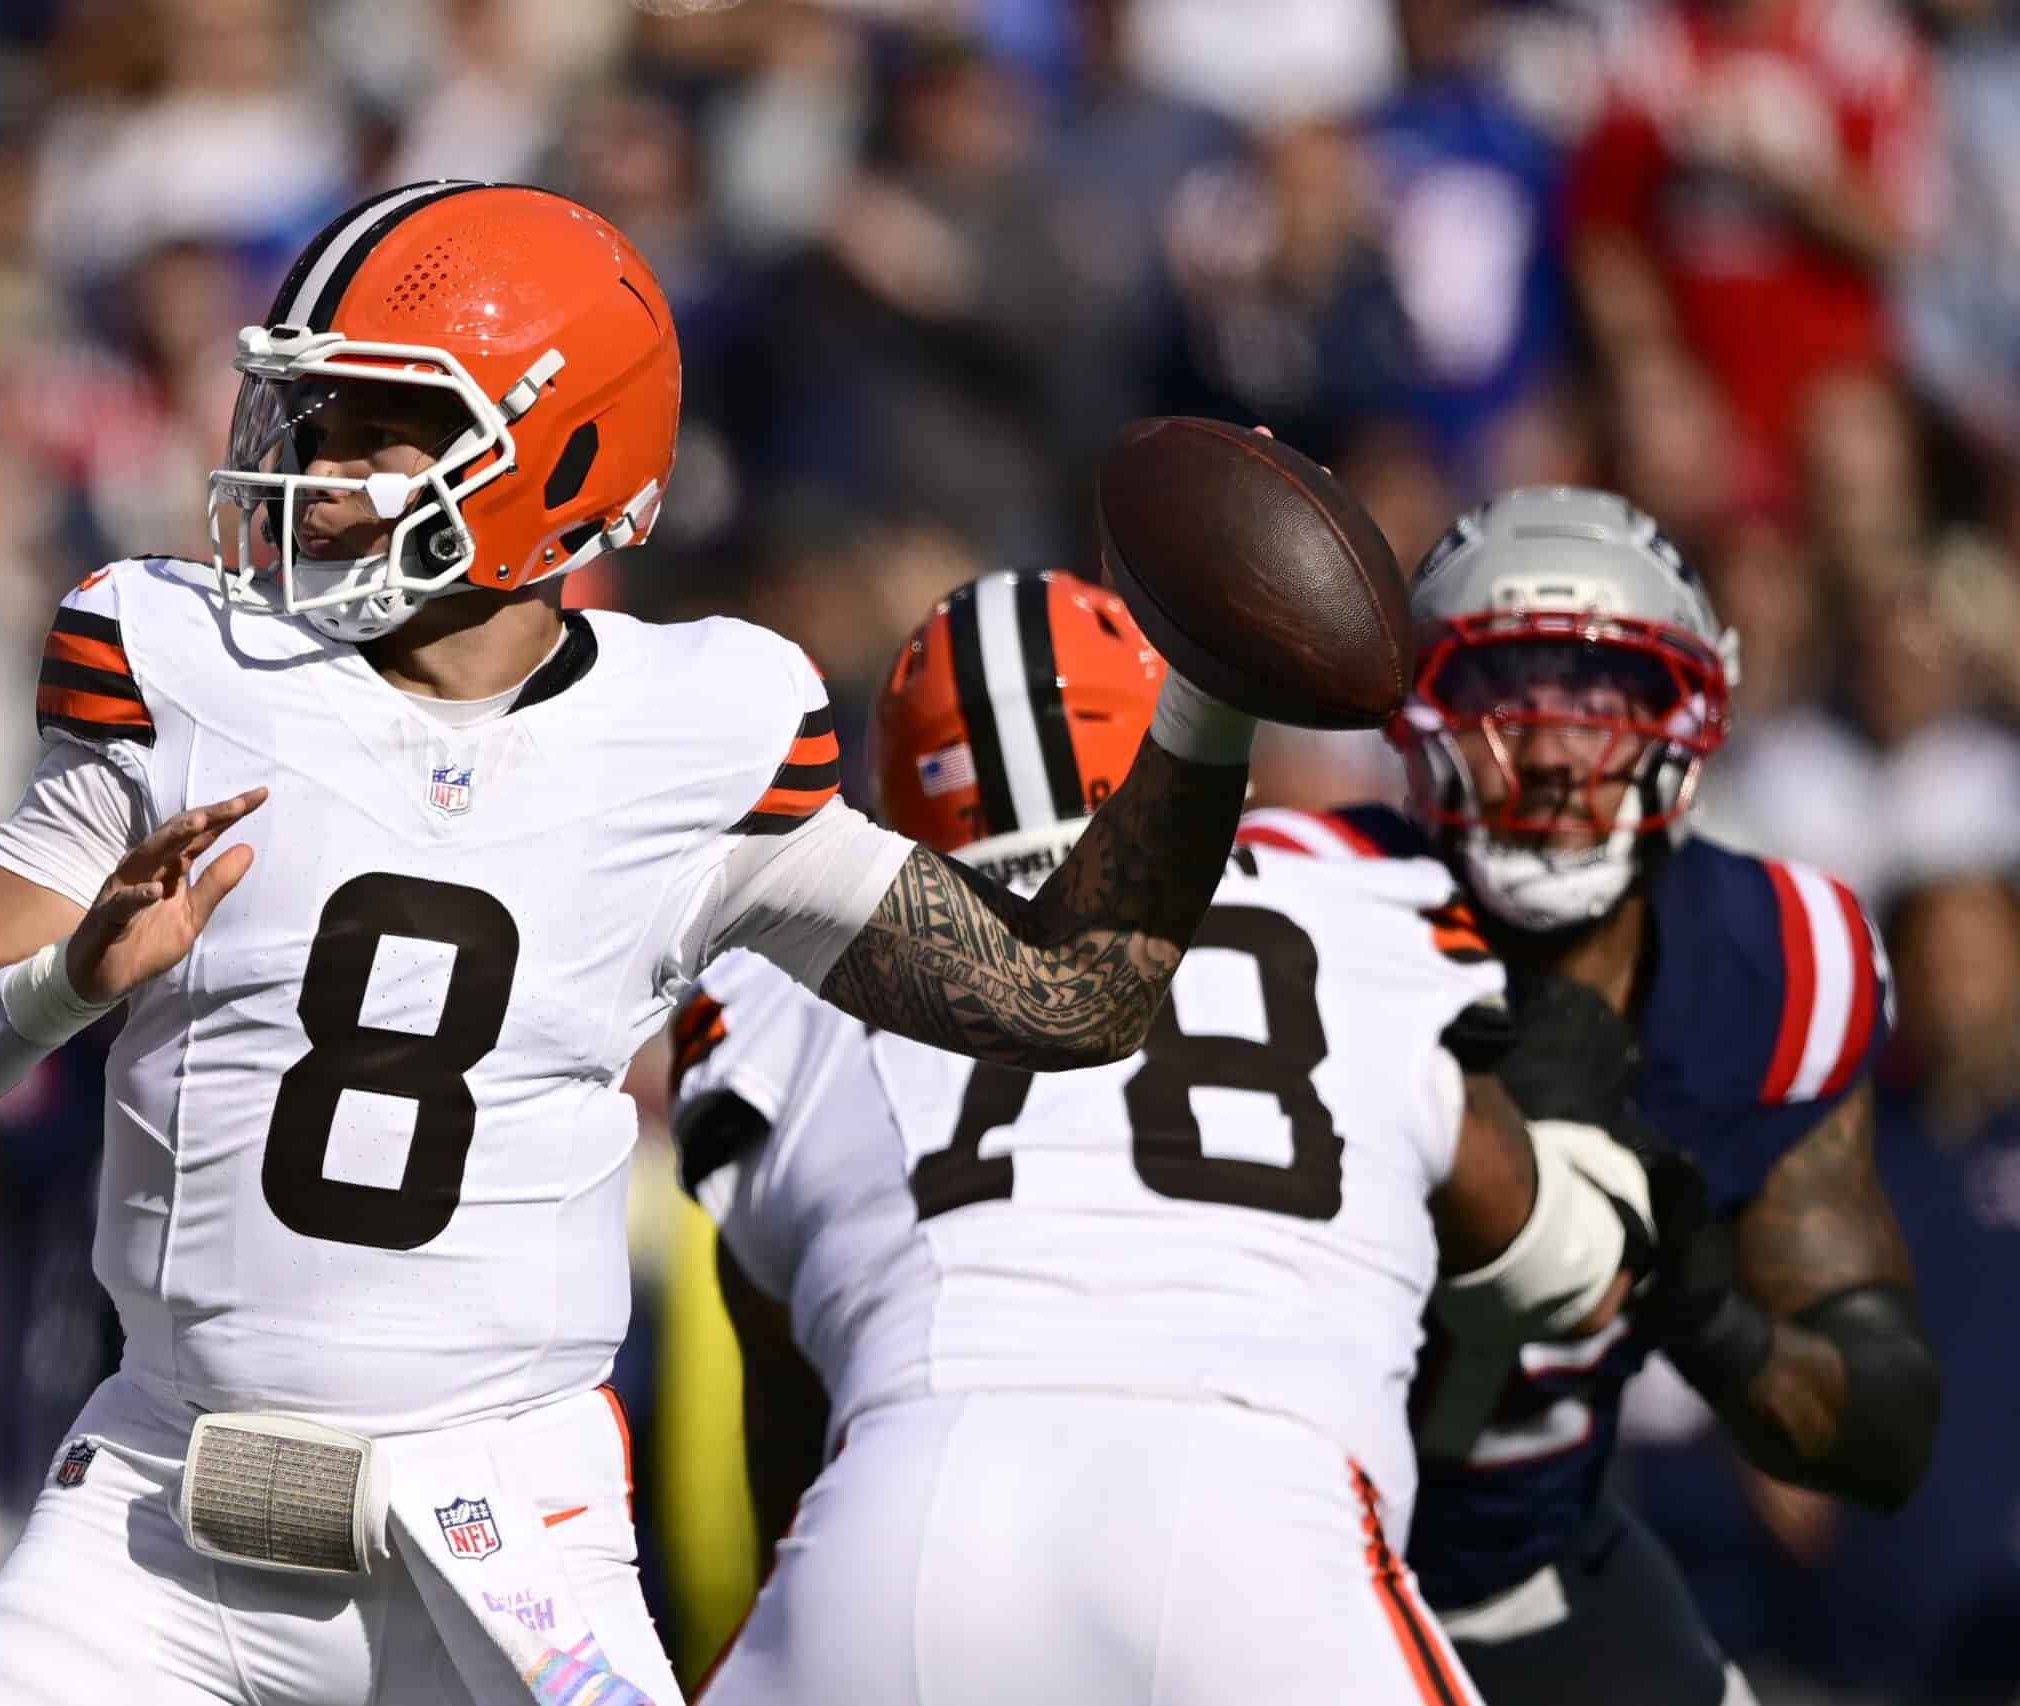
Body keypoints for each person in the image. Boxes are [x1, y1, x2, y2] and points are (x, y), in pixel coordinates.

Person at [0, 182, 1294, 1706]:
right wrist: (61, 982)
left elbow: (1064, 999)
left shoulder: (702, 728)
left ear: (564, 454)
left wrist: (1208, 712)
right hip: (157, 1508)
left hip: (502, 1530)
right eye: (311, 420)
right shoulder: (194, 658)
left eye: (380, 431)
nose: (314, 473)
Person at [670, 568, 1652, 1706]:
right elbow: (1561, 1265)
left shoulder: (787, 991)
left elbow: (785, 1411)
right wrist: (1605, 1198)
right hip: (1257, 1512)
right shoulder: (1362, 911)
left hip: (906, 1518)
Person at [1376, 487, 1940, 1706]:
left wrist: (1707, 1310)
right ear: (1417, 713)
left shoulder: (1775, 964)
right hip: (1285, 1548)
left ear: (1689, 718)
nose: (1549, 751)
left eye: (1600, 699)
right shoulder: (1317, 920)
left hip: (1535, 1565)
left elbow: (1884, 1432)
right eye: (1500, 691)